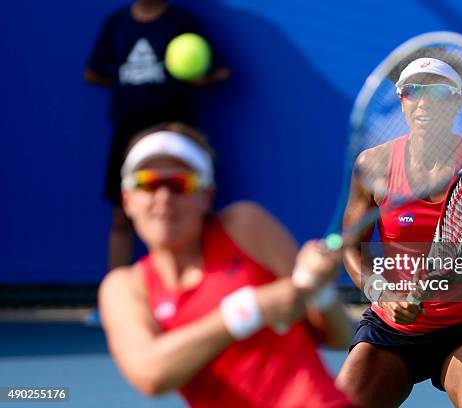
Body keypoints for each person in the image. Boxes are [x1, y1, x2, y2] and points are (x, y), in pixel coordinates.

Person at [98, 123, 355, 407]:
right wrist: (250, 310)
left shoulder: (246, 226)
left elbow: (339, 336)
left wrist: (320, 292)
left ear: (206, 196)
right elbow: (151, 373)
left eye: (180, 184)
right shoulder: (124, 288)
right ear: (127, 199)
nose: (164, 198)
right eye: (147, 183)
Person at [335, 54, 462, 407]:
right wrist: (381, 291)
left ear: (457, 101)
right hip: (390, 329)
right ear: (402, 100)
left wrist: (448, 274)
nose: (423, 103)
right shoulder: (373, 165)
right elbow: (352, 248)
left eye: (438, 93)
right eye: (413, 91)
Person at [85, 0, 229, 270]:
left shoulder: (183, 23)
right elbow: (92, 72)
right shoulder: (117, 23)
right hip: (128, 132)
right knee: (120, 218)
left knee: (190, 214)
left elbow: (220, 71)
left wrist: (195, 78)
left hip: (176, 132)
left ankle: (196, 290)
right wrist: (125, 84)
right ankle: (114, 295)